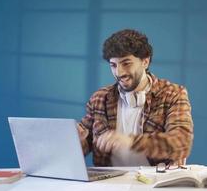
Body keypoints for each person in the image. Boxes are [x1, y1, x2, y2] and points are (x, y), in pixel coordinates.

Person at [77, 29, 193, 167]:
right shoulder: (99, 98)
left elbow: (181, 142)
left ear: (145, 61)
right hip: (109, 185)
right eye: (113, 65)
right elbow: (85, 142)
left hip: (155, 183)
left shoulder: (173, 94)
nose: (119, 72)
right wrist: (73, 142)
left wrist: (131, 142)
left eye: (126, 63)